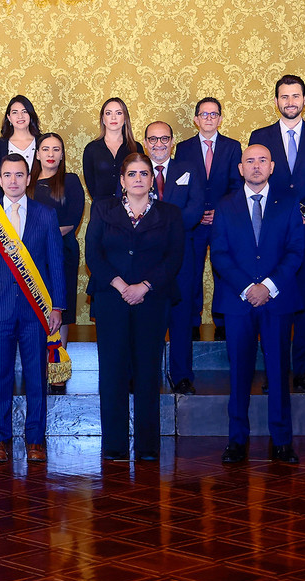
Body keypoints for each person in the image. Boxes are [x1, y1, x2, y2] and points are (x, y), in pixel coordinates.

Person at [85, 153, 186, 461]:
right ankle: (113, 445)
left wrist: (143, 287)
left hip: (152, 301)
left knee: (147, 372)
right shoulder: (103, 209)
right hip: (110, 300)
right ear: (122, 179)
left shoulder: (169, 213)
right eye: (132, 173)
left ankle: (147, 445)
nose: (139, 178)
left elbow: (174, 258)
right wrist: (121, 286)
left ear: (152, 178)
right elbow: (93, 254)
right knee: (112, 372)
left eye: (144, 173)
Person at [210, 144, 305, 464]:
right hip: (239, 302)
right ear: (240, 168)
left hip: (276, 301)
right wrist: (248, 287)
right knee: (239, 373)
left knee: (279, 372)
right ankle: (237, 440)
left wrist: (268, 286)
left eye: (262, 160)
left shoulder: (290, 204)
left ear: (272, 166)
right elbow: (220, 254)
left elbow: (295, 252)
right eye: (249, 161)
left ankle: (282, 441)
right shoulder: (225, 205)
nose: (255, 166)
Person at [0, 154, 64, 464]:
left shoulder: (45, 214)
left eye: (19, 175)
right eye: (7, 175)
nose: (13, 180)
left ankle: (35, 439)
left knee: (36, 376)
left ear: (28, 179)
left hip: (35, 310)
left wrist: (58, 306)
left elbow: (56, 264)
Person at [249, 74, 305, 394]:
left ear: (304, 100)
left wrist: (302, 209)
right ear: (275, 101)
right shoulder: (260, 136)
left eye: (295, 96)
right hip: (270, 235)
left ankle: (301, 372)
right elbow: (255, 180)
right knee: (273, 303)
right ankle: (274, 373)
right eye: (284, 97)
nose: (290, 102)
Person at [140, 121, 205, 396]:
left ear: (172, 141)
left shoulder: (189, 169)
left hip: (182, 255)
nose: (158, 144)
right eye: (153, 139)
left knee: (181, 317)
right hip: (147, 259)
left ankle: (182, 376)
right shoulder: (137, 171)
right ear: (145, 142)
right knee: (148, 319)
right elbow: (132, 208)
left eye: (164, 138)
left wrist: (167, 230)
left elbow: (195, 209)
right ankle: (145, 376)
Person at [175, 97, 244, 342]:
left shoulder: (233, 147)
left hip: (222, 222)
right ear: (195, 119)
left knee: (223, 273)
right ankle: (192, 322)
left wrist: (219, 210)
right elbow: (181, 186)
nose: (209, 119)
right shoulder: (183, 148)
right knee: (191, 274)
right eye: (204, 114)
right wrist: (195, 212)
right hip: (193, 223)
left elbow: (238, 186)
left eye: (214, 114)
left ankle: (223, 322)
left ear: (221, 119)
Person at [27, 132, 85, 393]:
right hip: (29, 258)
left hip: (61, 253)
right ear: (37, 153)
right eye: (45, 149)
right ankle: (37, 369)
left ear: (62, 154)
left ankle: (57, 370)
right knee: (34, 311)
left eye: (56, 149)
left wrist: (39, 237)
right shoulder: (25, 182)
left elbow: (72, 220)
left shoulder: (70, 181)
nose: (50, 154)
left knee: (60, 310)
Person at [82, 97, 144, 201]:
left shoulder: (136, 148)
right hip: (101, 210)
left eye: (119, 113)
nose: (113, 117)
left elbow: (142, 179)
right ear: (103, 119)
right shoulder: (91, 149)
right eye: (108, 113)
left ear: (125, 118)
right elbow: (91, 185)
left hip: (131, 210)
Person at [0, 95, 42, 200]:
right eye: (15, 112)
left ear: (31, 115)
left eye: (24, 111)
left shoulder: (42, 142)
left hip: (38, 205)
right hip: (7, 206)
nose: (20, 116)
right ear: (9, 118)